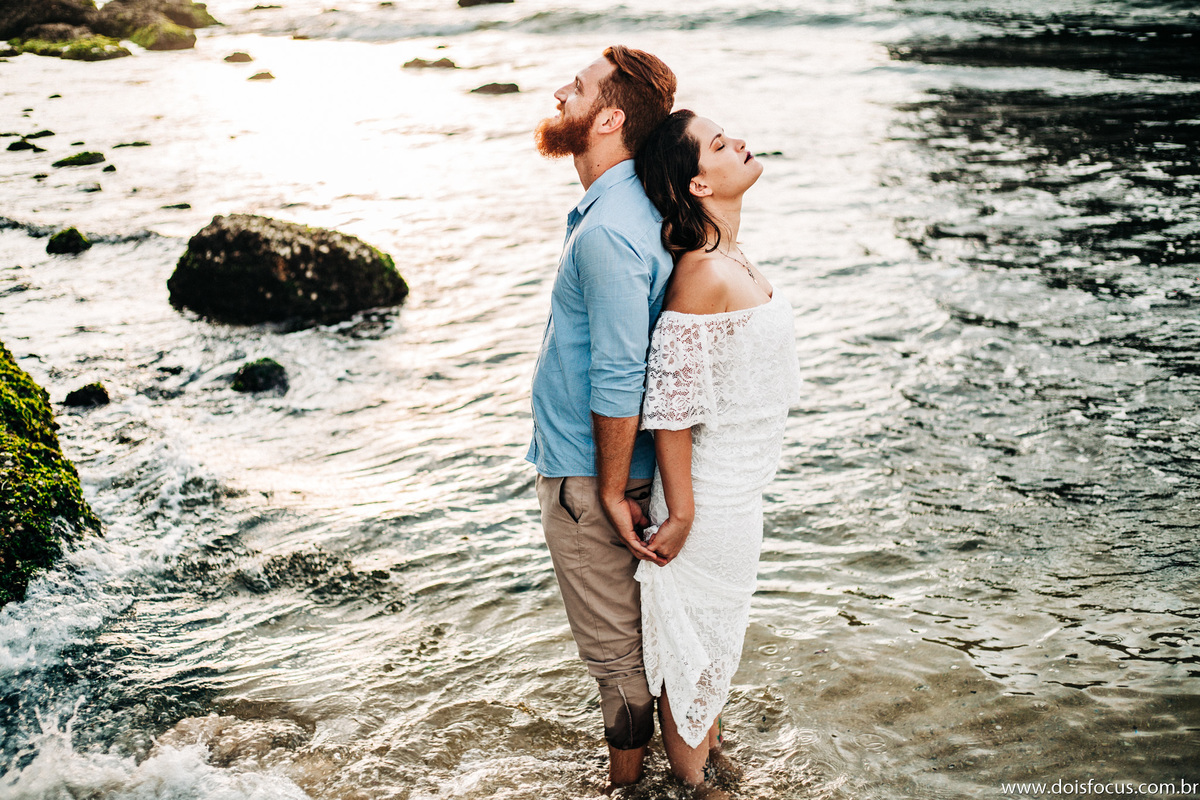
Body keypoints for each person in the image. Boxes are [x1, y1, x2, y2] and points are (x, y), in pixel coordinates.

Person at [632, 109, 802, 793]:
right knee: (693, 648)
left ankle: (706, 760)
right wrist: (681, 515)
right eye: (720, 144)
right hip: (709, 497)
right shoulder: (701, 274)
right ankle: (695, 785)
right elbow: (670, 413)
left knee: (715, 635)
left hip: (740, 488)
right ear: (698, 185)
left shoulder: (732, 256)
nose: (739, 143)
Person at [527, 46, 676, 792]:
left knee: (617, 661)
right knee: (655, 645)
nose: (561, 92)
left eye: (578, 87)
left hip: (592, 481)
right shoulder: (630, 210)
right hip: (618, 473)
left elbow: (620, 375)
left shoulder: (610, 230)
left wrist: (612, 491)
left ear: (610, 119)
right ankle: (688, 769)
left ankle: (624, 788)